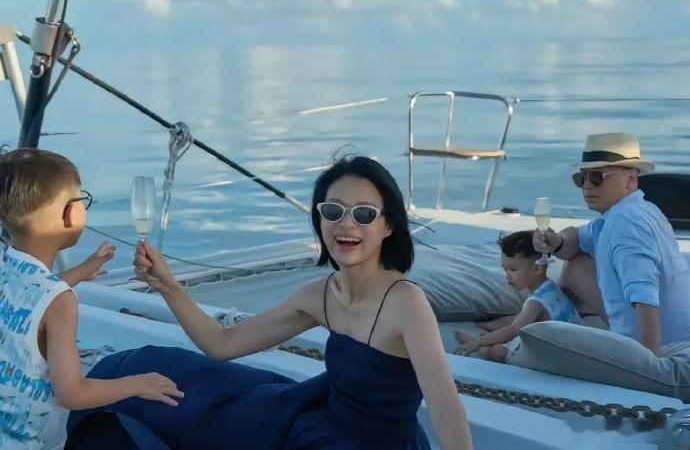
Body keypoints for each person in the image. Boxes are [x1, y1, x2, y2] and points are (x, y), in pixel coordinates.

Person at [103, 155, 472, 449]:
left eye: (363, 214)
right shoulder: (320, 295)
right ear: (319, 219)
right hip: (319, 431)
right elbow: (222, 344)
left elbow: (444, 403)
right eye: (333, 211)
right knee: (177, 389)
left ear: (387, 226)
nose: (346, 225)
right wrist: (168, 286)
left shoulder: (405, 302)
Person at [0, 148, 183, 450]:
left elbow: (32, 295)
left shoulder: (7, 265)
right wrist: (138, 384)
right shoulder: (61, 302)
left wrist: (81, 272)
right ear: (68, 214)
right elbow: (72, 394)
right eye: (81, 199)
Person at [534, 132, 690, 355]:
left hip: (665, 349)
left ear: (630, 179)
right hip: (676, 337)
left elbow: (645, 295)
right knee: (575, 266)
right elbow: (577, 238)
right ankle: (523, 325)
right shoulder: (638, 211)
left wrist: (649, 362)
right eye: (582, 178)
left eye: (597, 177)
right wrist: (556, 241)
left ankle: (518, 328)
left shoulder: (625, 222)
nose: (587, 186)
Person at [453, 230, 581, 362]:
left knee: (498, 351)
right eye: (505, 270)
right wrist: (493, 325)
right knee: (520, 323)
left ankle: (477, 346)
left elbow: (513, 330)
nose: (507, 275)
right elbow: (525, 317)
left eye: (513, 269)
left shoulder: (536, 302)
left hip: (555, 357)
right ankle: (491, 328)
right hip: (575, 348)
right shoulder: (551, 288)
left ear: (537, 269)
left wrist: (479, 342)